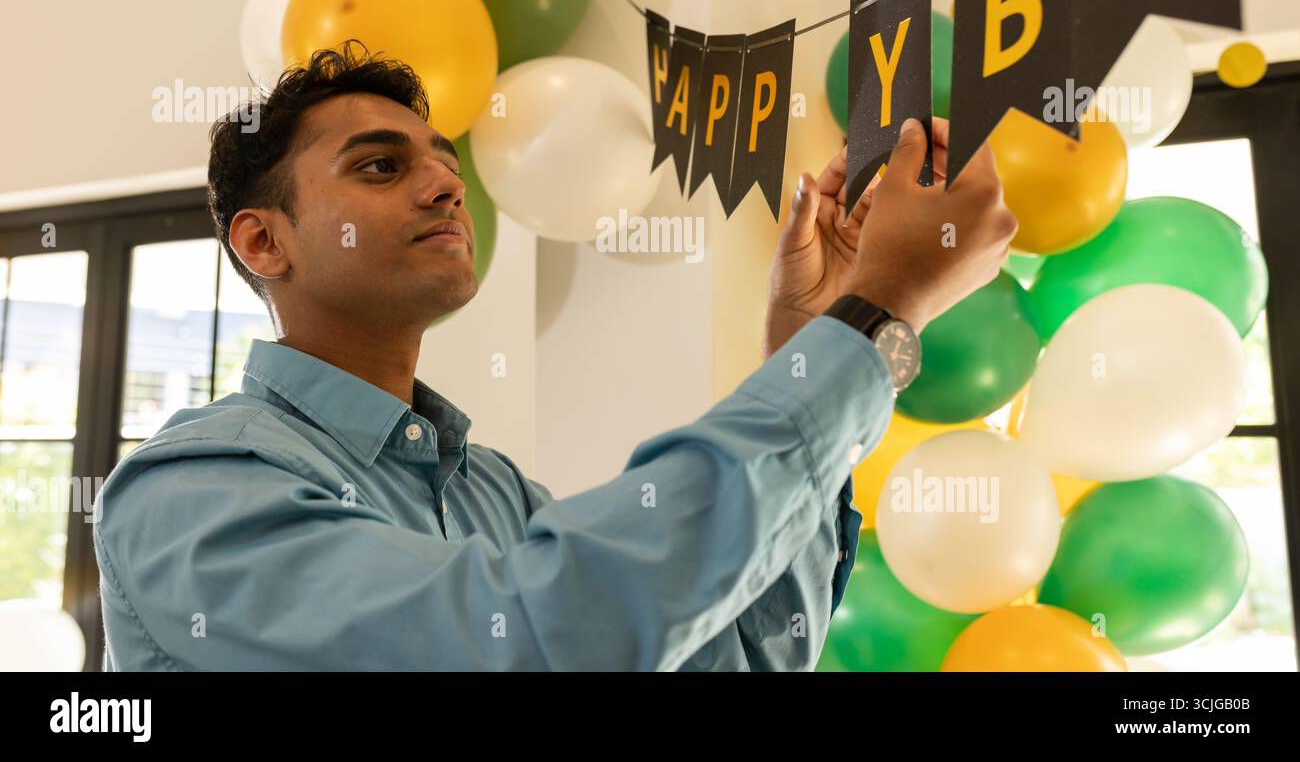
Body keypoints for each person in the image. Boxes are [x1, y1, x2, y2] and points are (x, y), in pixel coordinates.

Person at [93, 42, 1015, 671]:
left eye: (444, 159)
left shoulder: (495, 489)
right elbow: (530, 635)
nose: (448, 183)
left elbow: (743, 658)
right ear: (263, 244)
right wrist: (873, 313)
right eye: (381, 166)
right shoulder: (190, 491)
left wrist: (811, 347)